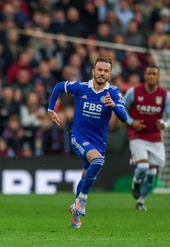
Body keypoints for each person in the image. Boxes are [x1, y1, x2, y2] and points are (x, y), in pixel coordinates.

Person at [47, 56, 127, 229]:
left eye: (106, 71)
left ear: (110, 73)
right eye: (100, 69)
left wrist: (113, 105)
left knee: (85, 177)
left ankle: (75, 216)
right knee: (98, 161)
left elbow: (124, 117)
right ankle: (81, 200)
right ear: (93, 71)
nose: (102, 73)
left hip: (99, 142)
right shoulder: (81, 87)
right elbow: (58, 87)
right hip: (79, 138)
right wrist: (50, 109)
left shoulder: (113, 92)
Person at [123, 65, 170, 211]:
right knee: (143, 167)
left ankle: (141, 201)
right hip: (137, 135)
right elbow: (122, 110)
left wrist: (165, 123)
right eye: (149, 73)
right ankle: (136, 181)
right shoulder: (133, 92)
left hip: (155, 137)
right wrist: (132, 122)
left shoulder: (165, 95)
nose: (152, 76)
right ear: (144, 76)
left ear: (158, 77)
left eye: (154, 74)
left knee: (152, 174)